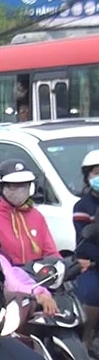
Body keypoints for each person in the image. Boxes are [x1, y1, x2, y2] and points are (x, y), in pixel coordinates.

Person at [0, 159, 58, 266]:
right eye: (14, 186)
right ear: (1, 187)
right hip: (6, 274)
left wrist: (59, 264)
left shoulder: (36, 216)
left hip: (35, 275)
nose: (21, 190)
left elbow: (50, 252)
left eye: (25, 185)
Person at [74, 149, 99, 349]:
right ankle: (86, 339)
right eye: (96, 172)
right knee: (91, 292)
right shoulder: (83, 206)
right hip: (92, 264)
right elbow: (84, 241)